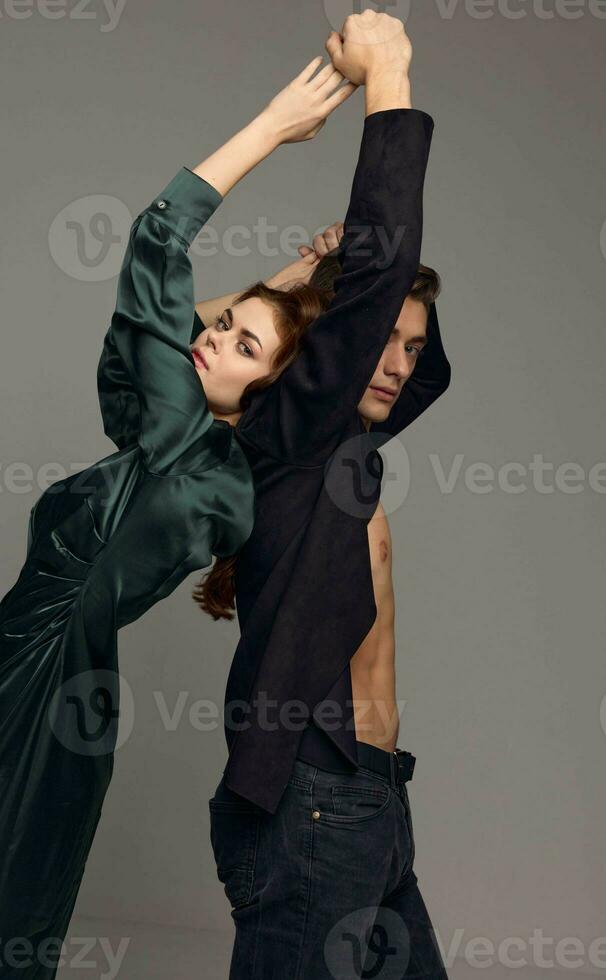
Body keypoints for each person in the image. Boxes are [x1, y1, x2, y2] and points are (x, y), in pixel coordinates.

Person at [0, 60, 357, 979]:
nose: (211, 337)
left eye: (241, 345)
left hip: (46, 667)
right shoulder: (205, 461)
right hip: (63, 677)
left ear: (262, 393)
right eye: (220, 329)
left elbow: (156, 244)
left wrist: (270, 126)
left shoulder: (183, 440)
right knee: (1, 897)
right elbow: (168, 340)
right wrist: (285, 289)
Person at [201, 12, 452, 979]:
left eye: (411, 345)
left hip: (375, 803)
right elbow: (379, 278)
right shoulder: (288, 433)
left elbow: (420, 370)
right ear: (333, 341)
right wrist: (388, 71)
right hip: (311, 807)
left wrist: (362, 281)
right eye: (379, 338)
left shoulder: (347, 440)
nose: (396, 366)